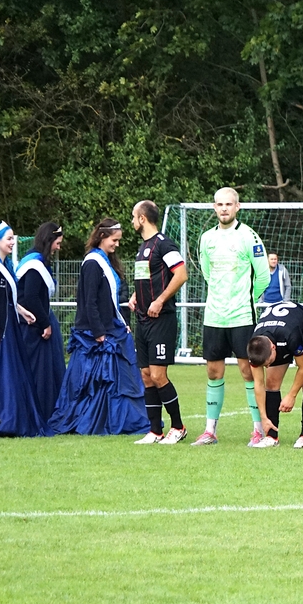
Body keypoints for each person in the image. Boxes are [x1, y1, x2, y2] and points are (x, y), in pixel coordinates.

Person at [50, 219, 149, 435]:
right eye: (115, 240)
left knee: (114, 380)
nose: (117, 244)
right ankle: (93, 420)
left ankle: (114, 419)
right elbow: (90, 301)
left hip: (109, 327)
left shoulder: (105, 261)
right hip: (95, 332)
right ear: (103, 237)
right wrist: (98, 332)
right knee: (94, 382)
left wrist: (121, 323)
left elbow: (108, 300)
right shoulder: (93, 263)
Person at [192, 187, 271, 446]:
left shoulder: (249, 236)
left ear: (237, 207)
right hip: (214, 316)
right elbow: (207, 273)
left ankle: (258, 430)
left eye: (228, 204)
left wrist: (246, 297)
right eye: (219, 204)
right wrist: (222, 296)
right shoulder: (207, 238)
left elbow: (263, 276)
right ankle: (210, 431)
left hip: (241, 316)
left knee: (249, 372)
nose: (224, 208)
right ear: (214, 207)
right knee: (214, 372)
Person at [129, 200, 189, 445]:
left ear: (142, 218)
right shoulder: (143, 247)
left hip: (161, 320)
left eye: (134, 216)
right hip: (142, 319)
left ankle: (178, 427)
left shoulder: (164, 244)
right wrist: (136, 295)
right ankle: (155, 430)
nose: (132, 221)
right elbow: (146, 277)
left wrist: (161, 300)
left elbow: (181, 274)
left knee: (158, 374)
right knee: (146, 375)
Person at [0, 221, 48, 437]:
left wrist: (22, 311)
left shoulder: (4, 266)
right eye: (8, 238)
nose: (12, 242)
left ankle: (11, 416)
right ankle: (4, 418)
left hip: (10, 326)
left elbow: (7, 298)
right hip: (1, 327)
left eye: (12, 238)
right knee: (2, 371)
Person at [246, 301, 303, 448]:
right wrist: (263, 417)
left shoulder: (292, 335)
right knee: (272, 382)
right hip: (279, 334)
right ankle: (271, 436)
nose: (268, 366)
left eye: (268, 362)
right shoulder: (255, 345)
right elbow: (259, 384)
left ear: (273, 348)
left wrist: (291, 395)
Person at [16, 222, 66, 421]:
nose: (58, 247)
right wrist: (45, 323)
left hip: (37, 323)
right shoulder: (35, 265)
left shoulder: (37, 261)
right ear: (49, 240)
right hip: (33, 327)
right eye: (57, 243)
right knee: (40, 372)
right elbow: (31, 297)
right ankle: (41, 413)